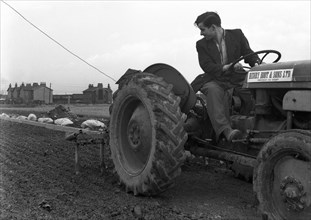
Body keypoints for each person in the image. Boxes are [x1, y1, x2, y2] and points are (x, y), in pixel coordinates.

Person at [191, 11, 260, 142]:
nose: (201, 33)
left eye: (202, 29)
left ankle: (250, 127)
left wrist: (256, 63)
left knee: (255, 89)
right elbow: (207, 66)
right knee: (213, 91)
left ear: (213, 27)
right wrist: (226, 67)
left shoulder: (237, 35)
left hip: (236, 78)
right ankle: (226, 131)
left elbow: (248, 53)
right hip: (215, 79)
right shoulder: (201, 45)